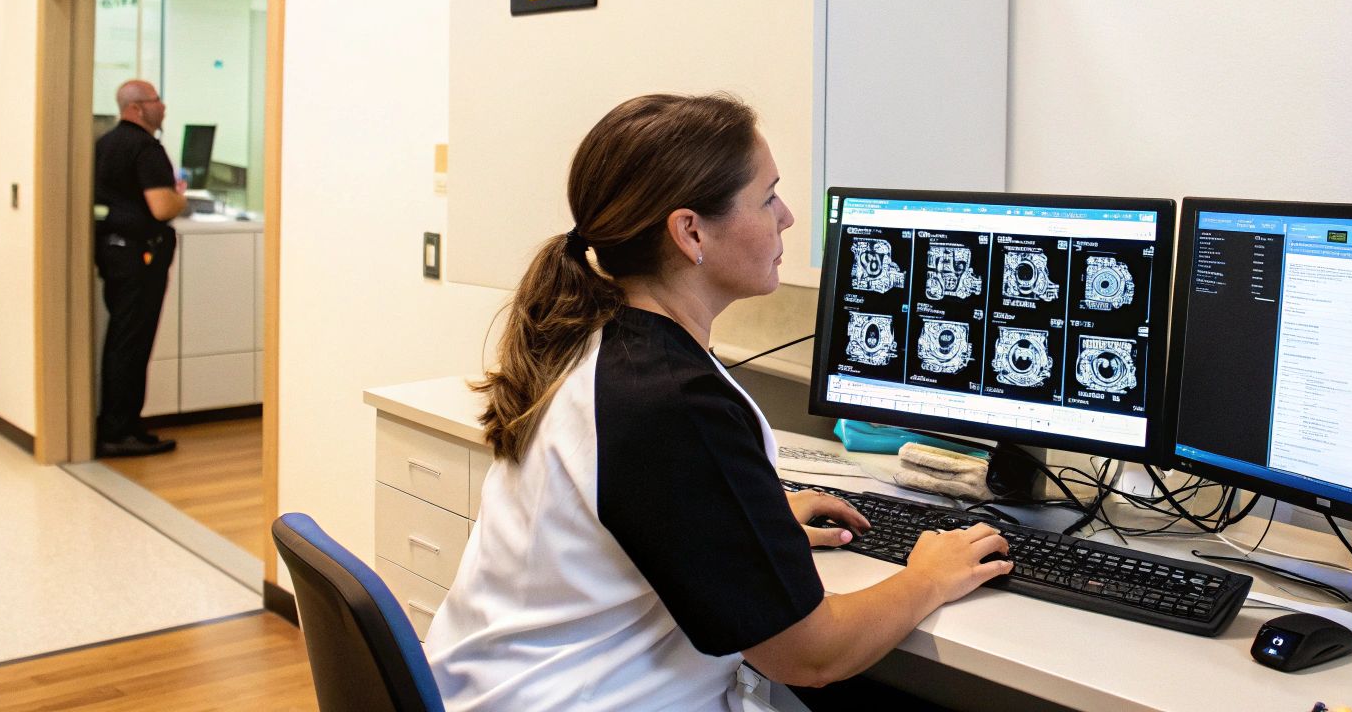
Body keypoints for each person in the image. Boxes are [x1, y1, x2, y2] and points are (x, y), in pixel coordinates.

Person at [426, 93, 1012, 712]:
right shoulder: (671, 399)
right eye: (767, 197)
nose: (786, 217)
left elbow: (628, 513)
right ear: (691, 231)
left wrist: (744, 520)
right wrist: (927, 577)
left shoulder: (594, 341)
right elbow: (813, 656)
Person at [93, 80, 187, 458]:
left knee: (122, 342)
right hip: (139, 259)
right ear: (135, 108)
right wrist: (180, 196)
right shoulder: (145, 147)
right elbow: (162, 208)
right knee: (132, 344)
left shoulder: (106, 143)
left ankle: (123, 424)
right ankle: (120, 430)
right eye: (155, 100)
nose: (162, 106)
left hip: (114, 254)